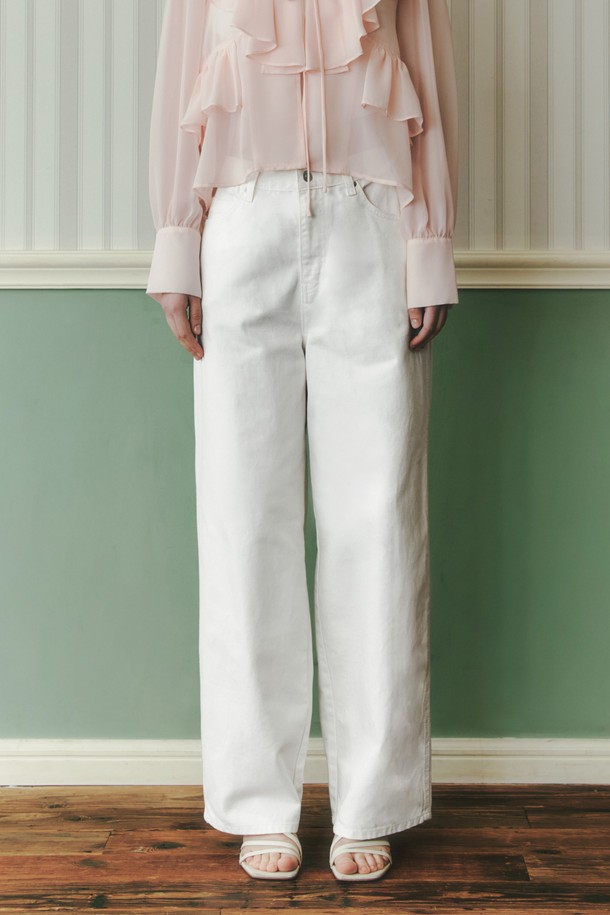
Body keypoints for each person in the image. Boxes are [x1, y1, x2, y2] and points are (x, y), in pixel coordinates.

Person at [146, 0, 459, 884]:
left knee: (379, 523)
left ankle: (373, 801)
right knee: (244, 522)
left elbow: (430, 81)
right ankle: (257, 800)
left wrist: (430, 245)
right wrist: (176, 245)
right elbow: (178, 84)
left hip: (372, 222)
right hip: (240, 222)